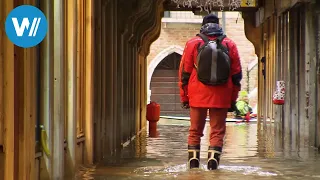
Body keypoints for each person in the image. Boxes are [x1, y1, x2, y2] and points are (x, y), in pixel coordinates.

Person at [178, 14, 242, 170]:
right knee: (217, 132)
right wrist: (232, 100)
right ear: (218, 25)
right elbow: (236, 75)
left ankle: (193, 167)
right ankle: (213, 165)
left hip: (197, 94)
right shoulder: (229, 44)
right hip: (221, 95)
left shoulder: (192, 43)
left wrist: (184, 97)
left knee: (195, 131)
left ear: (203, 25)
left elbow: (184, 73)